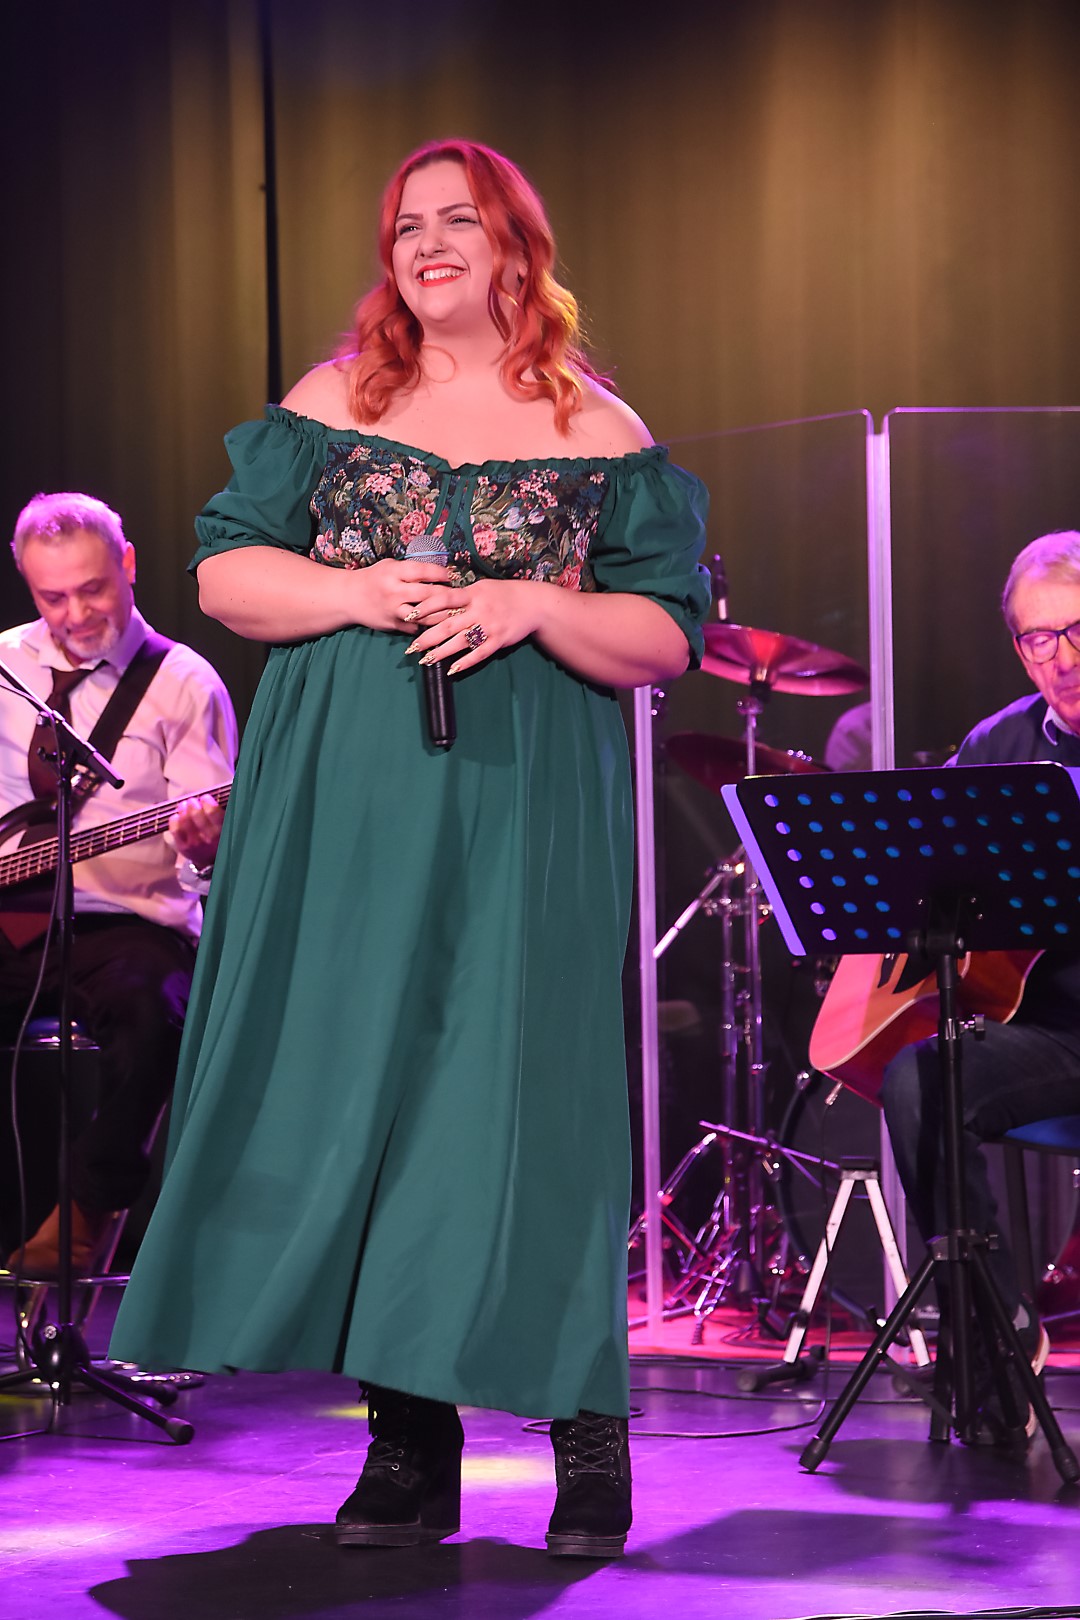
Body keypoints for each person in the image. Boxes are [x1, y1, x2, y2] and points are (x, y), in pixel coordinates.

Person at [110, 138, 710, 1556]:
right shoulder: (335, 403)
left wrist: (534, 606)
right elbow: (225, 574)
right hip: (346, 794)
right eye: (406, 227)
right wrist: (360, 590)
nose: (429, 244)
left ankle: (587, 1433)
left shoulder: (598, 427)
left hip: (525, 800)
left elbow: (664, 634)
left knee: (528, 1090)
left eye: (459, 221)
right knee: (370, 1083)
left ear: (515, 248)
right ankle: (407, 1440)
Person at [0, 492, 238, 1277]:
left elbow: (210, 853)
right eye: (53, 597)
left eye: (93, 589)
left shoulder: (183, 683)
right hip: (13, 920)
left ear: (128, 564)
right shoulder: (4, 667)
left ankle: (84, 1213)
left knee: (156, 1010)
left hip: (123, 925)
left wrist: (203, 847)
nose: (75, 615)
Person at [880, 529, 1080, 1438]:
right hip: (1047, 1032)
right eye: (1039, 638)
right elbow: (928, 883)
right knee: (921, 1078)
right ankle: (998, 1338)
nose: (1062, 659)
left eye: (1077, 630)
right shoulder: (999, 744)